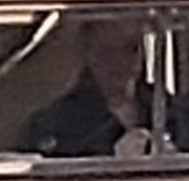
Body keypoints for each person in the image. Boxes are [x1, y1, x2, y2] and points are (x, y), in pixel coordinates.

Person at [14, 17, 158, 158]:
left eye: (131, 49)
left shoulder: (173, 112)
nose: (121, 61)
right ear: (87, 53)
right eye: (107, 52)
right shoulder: (54, 125)